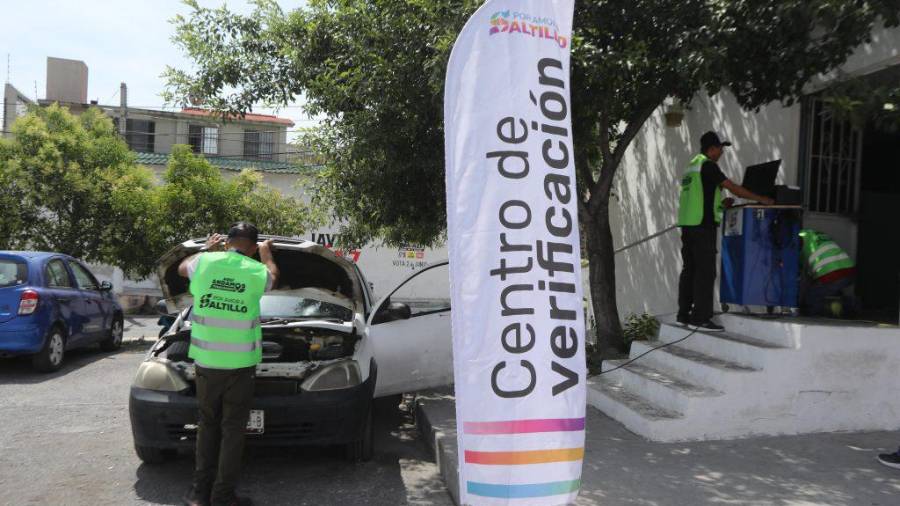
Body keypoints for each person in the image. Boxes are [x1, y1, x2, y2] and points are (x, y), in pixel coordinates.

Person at [180, 222, 279, 506]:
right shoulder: (255, 270)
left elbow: (180, 269)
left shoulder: (205, 262)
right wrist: (266, 254)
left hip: (207, 363)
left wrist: (205, 250)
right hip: (240, 365)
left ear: (227, 242)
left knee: (207, 425)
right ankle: (222, 496)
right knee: (233, 429)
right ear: (251, 247)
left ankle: (200, 493)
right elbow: (273, 277)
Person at [677, 131, 774, 332]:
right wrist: (762, 199)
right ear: (711, 149)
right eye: (720, 148)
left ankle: (684, 314)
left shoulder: (691, 166)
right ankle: (701, 317)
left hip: (688, 226)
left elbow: (700, 198)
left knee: (690, 270)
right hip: (703, 226)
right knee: (705, 272)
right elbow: (734, 188)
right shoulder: (708, 165)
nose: (721, 152)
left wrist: (721, 205)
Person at [798, 229, 856, 317]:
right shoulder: (815, 234)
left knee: (812, 296)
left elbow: (805, 271)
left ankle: (814, 321)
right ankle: (850, 306)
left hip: (831, 273)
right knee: (832, 291)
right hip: (849, 270)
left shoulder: (796, 239)